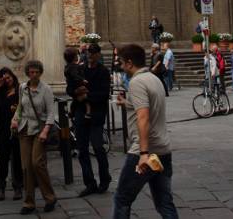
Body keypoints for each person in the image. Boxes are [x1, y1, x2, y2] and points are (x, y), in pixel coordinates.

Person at [113, 43, 177, 219]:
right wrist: (126, 104)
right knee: (164, 203)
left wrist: (143, 153)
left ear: (129, 63)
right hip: (163, 148)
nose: (119, 65)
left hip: (145, 151)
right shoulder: (153, 78)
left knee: (122, 200)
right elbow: (149, 106)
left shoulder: (137, 82)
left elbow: (143, 117)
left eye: (121, 62)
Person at [11, 59, 57, 214]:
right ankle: (29, 202)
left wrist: (45, 130)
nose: (34, 75)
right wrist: (15, 119)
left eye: (37, 72)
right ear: (27, 73)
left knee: (37, 163)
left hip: (39, 129)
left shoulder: (46, 90)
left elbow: (51, 112)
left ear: (40, 73)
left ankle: (49, 197)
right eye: (31, 72)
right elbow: (20, 106)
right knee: (26, 167)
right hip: (24, 129)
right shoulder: (23, 87)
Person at [72, 44, 112, 197]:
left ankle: (104, 179)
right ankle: (89, 183)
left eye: (93, 52)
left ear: (98, 54)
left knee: (97, 147)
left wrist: (87, 97)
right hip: (81, 114)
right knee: (82, 150)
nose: (90, 55)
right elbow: (71, 86)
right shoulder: (81, 70)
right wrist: (75, 93)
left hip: (96, 115)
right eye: (88, 52)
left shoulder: (103, 71)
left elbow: (103, 93)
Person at [0, 67, 23, 201]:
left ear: (13, 76)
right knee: (3, 159)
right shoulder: (1, 92)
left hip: (17, 130)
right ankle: (1, 187)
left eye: (9, 77)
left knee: (17, 159)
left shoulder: (20, 90)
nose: (7, 80)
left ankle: (18, 187)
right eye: (4, 78)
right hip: (3, 129)